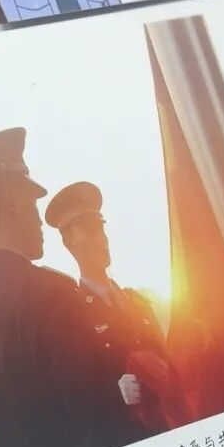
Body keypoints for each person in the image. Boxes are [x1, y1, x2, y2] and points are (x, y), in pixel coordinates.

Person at [0, 129, 144, 447]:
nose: (38, 219)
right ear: (12, 202)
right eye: (32, 204)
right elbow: (104, 425)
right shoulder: (53, 296)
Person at [45, 181, 186, 432]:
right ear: (68, 241)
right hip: (125, 436)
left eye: (101, 229)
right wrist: (113, 392)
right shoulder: (71, 318)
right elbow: (80, 395)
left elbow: (168, 365)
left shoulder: (136, 301)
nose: (101, 239)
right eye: (89, 231)